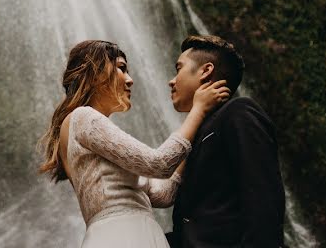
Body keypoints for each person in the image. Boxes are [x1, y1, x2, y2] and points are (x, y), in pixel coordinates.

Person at [39, 40, 231, 248]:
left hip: (135, 234)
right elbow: (159, 164)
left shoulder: (95, 137)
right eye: (121, 68)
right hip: (121, 235)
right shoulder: (83, 118)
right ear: (94, 71)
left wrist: (197, 126)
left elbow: (164, 194)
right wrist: (198, 110)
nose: (130, 80)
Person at [165, 35, 285, 248]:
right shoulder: (193, 133)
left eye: (178, 68)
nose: (171, 81)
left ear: (205, 71)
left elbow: (263, 200)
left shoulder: (238, 113)